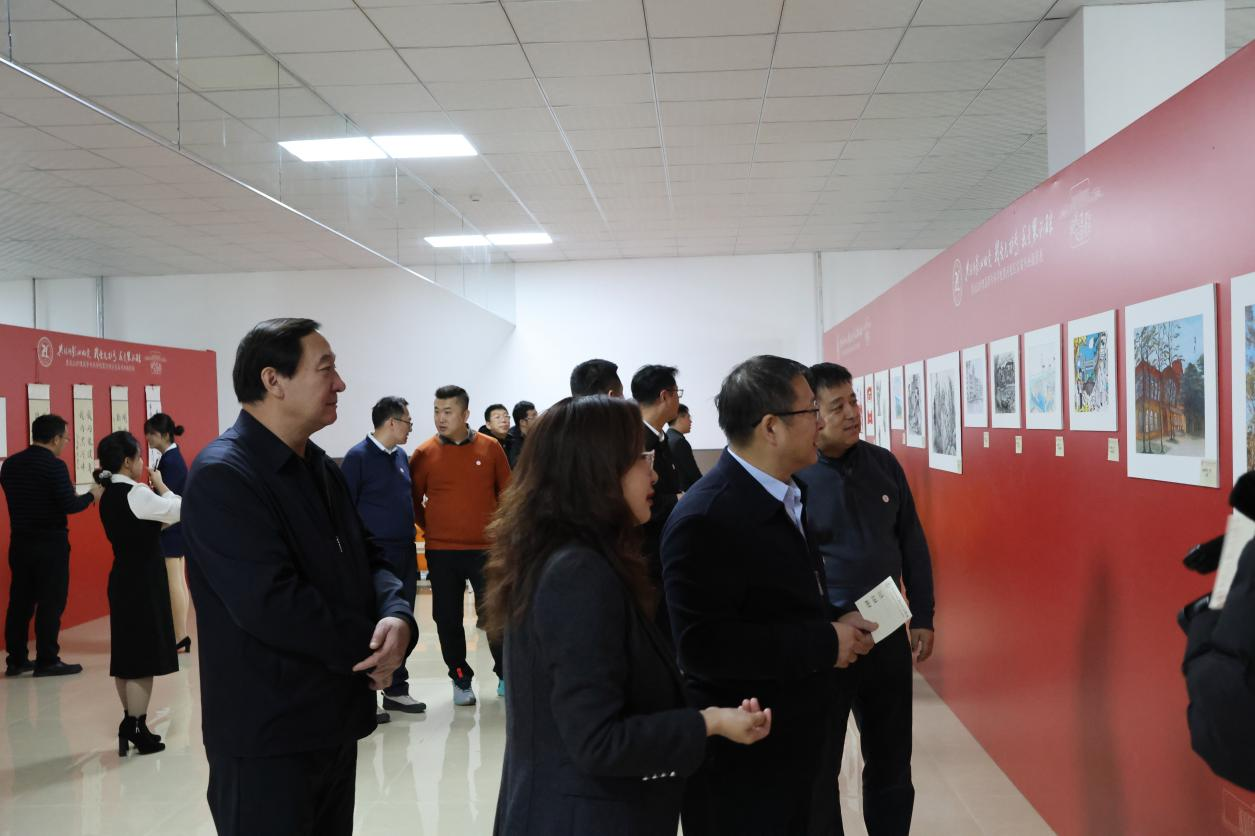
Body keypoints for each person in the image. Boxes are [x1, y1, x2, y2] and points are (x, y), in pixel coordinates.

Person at [486, 394, 772, 835]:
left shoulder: (574, 557)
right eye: (640, 458)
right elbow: (599, 741)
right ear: (596, 471)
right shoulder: (576, 573)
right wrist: (710, 722)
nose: (653, 473)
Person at [182, 318, 417, 836]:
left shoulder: (319, 467)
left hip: (331, 724)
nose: (340, 384)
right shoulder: (224, 475)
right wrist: (374, 647)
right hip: (269, 735)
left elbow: (368, 556)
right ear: (273, 380)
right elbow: (272, 605)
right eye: (326, 369)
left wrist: (398, 616)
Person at [660, 355, 877, 835]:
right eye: (811, 410)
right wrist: (825, 642)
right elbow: (703, 647)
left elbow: (781, 600)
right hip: (746, 761)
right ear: (771, 427)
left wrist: (836, 621)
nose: (821, 422)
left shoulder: (788, 493)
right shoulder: (706, 519)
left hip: (799, 740)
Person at [800, 362, 936, 836]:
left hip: (887, 632)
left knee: (892, 758)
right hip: (830, 640)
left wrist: (924, 614)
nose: (852, 413)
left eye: (853, 401)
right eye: (837, 405)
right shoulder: (798, 478)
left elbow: (912, 542)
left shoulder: (884, 465)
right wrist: (827, 626)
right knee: (822, 766)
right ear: (813, 414)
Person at [410, 385, 511, 704]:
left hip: (486, 550)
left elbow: (507, 495)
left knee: (495, 616)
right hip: (442, 552)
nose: (440, 418)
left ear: (466, 414)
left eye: (448, 412)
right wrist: (434, 528)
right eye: (436, 411)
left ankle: (506, 675)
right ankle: (459, 677)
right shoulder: (424, 453)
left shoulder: (490, 448)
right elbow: (413, 501)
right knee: (447, 618)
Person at [94, 431, 182, 756]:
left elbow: (145, 525)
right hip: (144, 581)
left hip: (122, 578)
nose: (143, 462)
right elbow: (180, 509)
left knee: (126, 657)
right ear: (127, 461)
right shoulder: (138, 493)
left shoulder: (107, 494)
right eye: (139, 457)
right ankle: (136, 725)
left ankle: (130, 722)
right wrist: (162, 485)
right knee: (143, 658)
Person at [341, 396, 426, 721]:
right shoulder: (358, 457)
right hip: (374, 557)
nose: (410, 428)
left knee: (402, 619)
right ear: (391, 422)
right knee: (372, 623)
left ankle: (396, 689)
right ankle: (367, 691)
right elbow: (345, 510)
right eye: (408, 422)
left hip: (404, 551)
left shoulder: (401, 457)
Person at [2, 414, 103, 678]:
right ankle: (47, 660)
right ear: (56, 438)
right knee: (50, 603)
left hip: (20, 543)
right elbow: (70, 505)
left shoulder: (10, 465)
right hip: (50, 545)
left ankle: (16, 660)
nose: (66, 443)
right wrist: (92, 495)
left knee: (20, 602)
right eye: (66, 439)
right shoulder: (54, 466)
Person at [631, 364, 685, 636]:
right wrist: (676, 499)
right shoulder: (635, 440)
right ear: (665, 395)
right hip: (648, 550)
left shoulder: (659, 437)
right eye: (677, 393)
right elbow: (633, 500)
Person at [143, 412, 192, 654]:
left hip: (171, 527)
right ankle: (180, 634)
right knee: (178, 581)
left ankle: (180, 635)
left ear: (163, 435)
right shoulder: (171, 457)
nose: (147, 438)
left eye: (151, 434)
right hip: (177, 527)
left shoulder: (170, 461)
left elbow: (169, 500)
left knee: (174, 582)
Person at [667, 403, 703, 491]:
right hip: (687, 492)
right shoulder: (679, 442)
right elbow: (693, 474)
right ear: (679, 418)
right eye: (688, 417)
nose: (691, 421)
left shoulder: (667, 437)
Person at [503, 400, 537, 470]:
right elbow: (516, 467)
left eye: (537, 414)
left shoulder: (538, 433)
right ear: (522, 422)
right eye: (534, 416)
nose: (538, 418)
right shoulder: (510, 440)